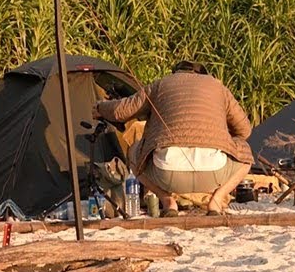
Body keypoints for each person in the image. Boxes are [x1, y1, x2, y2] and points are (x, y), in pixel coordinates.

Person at [94, 60, 252, 217]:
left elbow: (122, 111)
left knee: (134, 150)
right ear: (203, 75)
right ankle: (216, 201)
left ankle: (167, 201)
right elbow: (245, 131)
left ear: (175, 72)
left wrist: (100, 107)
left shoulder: (160, 84)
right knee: (246, 155)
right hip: (215, 172)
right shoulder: (218, 86)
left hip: (165, 173)